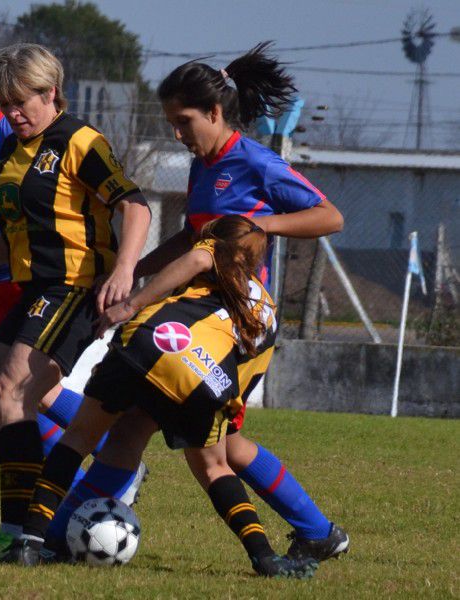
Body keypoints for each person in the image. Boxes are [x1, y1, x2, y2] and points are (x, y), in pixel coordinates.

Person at [45, 42, 349, 564]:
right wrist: (132, 268)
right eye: (171, 124)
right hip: (196, 316)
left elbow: (330, 217)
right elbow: (192, 239)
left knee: (208, 448)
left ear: (214, 112)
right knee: (147, 429)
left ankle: (314, 531)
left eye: (185, 122)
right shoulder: (204, 166)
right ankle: (58, 533)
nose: (178, 135)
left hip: (234, 325)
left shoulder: (255, 162)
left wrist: (260, 225)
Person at [7, 215, 318, 578]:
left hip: (146, 342)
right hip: (207, 379)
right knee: (215, 468)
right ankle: (264, 557)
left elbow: (200, 258)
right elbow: (247, 378)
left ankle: (30, 541)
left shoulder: (210, 254)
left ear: (217, 241)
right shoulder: (268, 311)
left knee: (77, 439)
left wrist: (127, 306)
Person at [0, 43, 152, 561]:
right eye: (6, 104)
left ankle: (23, 534)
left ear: (51, 92)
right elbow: (14, 233)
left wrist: (123, 270)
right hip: (35, 289)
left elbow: (136, 207)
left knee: (11, 394)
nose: (13, 114)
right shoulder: (15, 151)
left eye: (21, 103)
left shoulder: (80, 140)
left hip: (75, 287)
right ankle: (44, 504)